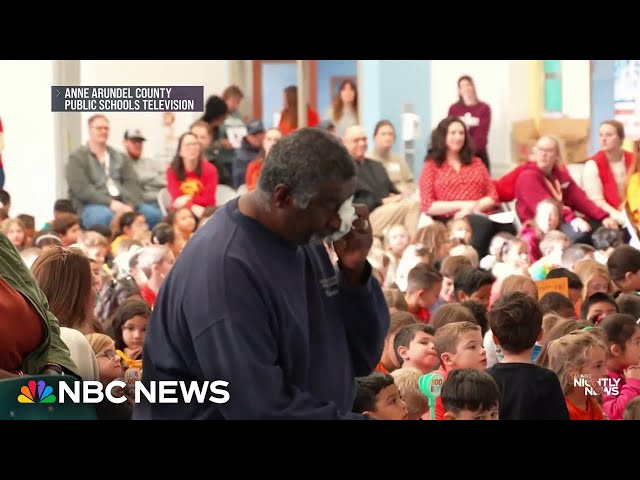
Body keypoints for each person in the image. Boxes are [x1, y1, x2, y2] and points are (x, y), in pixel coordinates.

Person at [135, 128, 389, 420]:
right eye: (331, 206)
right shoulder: (225, 270)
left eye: (345, 203)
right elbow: (258, 408)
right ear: (283, 197)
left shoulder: (303, 238)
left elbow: (360, 356)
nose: (339, 220)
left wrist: (354, 274)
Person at [0, 231, 79, 379]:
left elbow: (43, 310)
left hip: (34, 384)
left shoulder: (2, 244)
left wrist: (53, 365)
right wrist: (16, 382)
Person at [447, 76, 492, 172]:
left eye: (468, 85)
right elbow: (450, 133)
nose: (466, 89)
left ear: (473, 87)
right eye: (462, 86)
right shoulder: (453, 109)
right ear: (459, 91)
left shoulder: (484, 108)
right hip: (457, 157)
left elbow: (481, 136)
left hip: (478, 156)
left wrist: (466, 152)